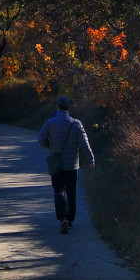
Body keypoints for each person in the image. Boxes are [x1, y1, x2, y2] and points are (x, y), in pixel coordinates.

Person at [38, 95, 95, 234]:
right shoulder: (76, 124)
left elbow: (41, 140)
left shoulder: (50, 123)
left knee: (58, 190)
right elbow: (84, 144)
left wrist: (51, 147)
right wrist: (90, 159)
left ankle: (62, 217)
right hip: (72, 164)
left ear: (57, 106)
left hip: (56, 164)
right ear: (68, 107)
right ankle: (69, 219)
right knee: (71, 191)